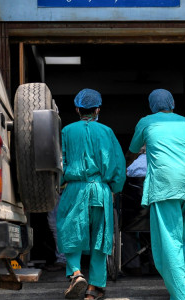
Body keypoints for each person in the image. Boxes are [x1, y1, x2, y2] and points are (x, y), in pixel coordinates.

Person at [127, 89, 185, 300]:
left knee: (170, 240)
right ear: (172, 103)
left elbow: (134, 147)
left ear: (152, 105)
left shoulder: (146, 121)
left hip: (165, 183)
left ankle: (181, 295)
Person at [57, 88, 126, 299]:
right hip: (100, 190)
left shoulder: (66, 132)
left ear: (77, 109)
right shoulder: (107, 132)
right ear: (98, 110)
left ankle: (76, 273)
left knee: (69, 231)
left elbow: (59, 162)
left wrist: (60, 184)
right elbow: (118, 165)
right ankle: (94, 288)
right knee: (101, 237)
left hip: (74, 188)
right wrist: (114, 188)